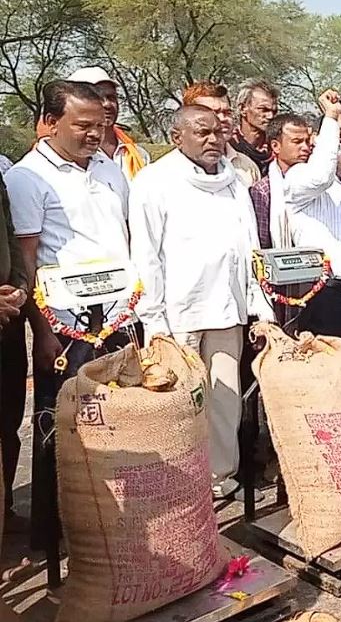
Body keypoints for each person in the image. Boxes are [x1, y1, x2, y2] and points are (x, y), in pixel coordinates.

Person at [6, 80, 134, 550]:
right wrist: (42, 332)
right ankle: (57, 532)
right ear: (51, 121)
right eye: (82, 126)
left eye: (100, 125)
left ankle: (112, 522)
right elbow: (29, 258)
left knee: (118, 424)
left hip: (119, 316)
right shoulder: (27, 178)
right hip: (65, 326)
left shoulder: (109, 168)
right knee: (62, 429)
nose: (93, 135)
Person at [129, 106, 272, 499]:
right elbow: (146, 256)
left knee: (226, 400)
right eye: (202, 132)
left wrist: (261, 307)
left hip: (228, 310)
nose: (213, 139)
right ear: (177, 137)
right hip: (178, 317)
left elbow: (250, 250)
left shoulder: (232, 182)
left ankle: (221, 478)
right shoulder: (153, 182)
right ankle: (182, 484)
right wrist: (154, 322)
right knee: (182, 406)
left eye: (217, 132)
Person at [267, 92, 341, 342]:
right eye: (339, 134)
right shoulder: (299, 176)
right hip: (324, 297)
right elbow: (322, 175)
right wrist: (331, 117)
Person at [0, 161, 28, 531]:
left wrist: (20, 285)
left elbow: (12, 238)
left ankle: (5, 512)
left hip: (8, 319)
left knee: (8, 422)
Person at [66, 66, 150, 180]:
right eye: (98, 98)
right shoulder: (67, 157)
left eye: (111, 97)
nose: (107, 104)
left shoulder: (138, 155)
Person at [184, 81, 261, 187]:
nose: (223, 119)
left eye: (227, 112)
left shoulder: (246, 166)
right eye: (213, 113)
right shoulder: (167, 172)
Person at [232, 79, 280, 176]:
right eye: (263, 109)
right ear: (243, 109)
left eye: (274, 111)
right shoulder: (229, 145)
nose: (270, 116)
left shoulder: (278, 147)